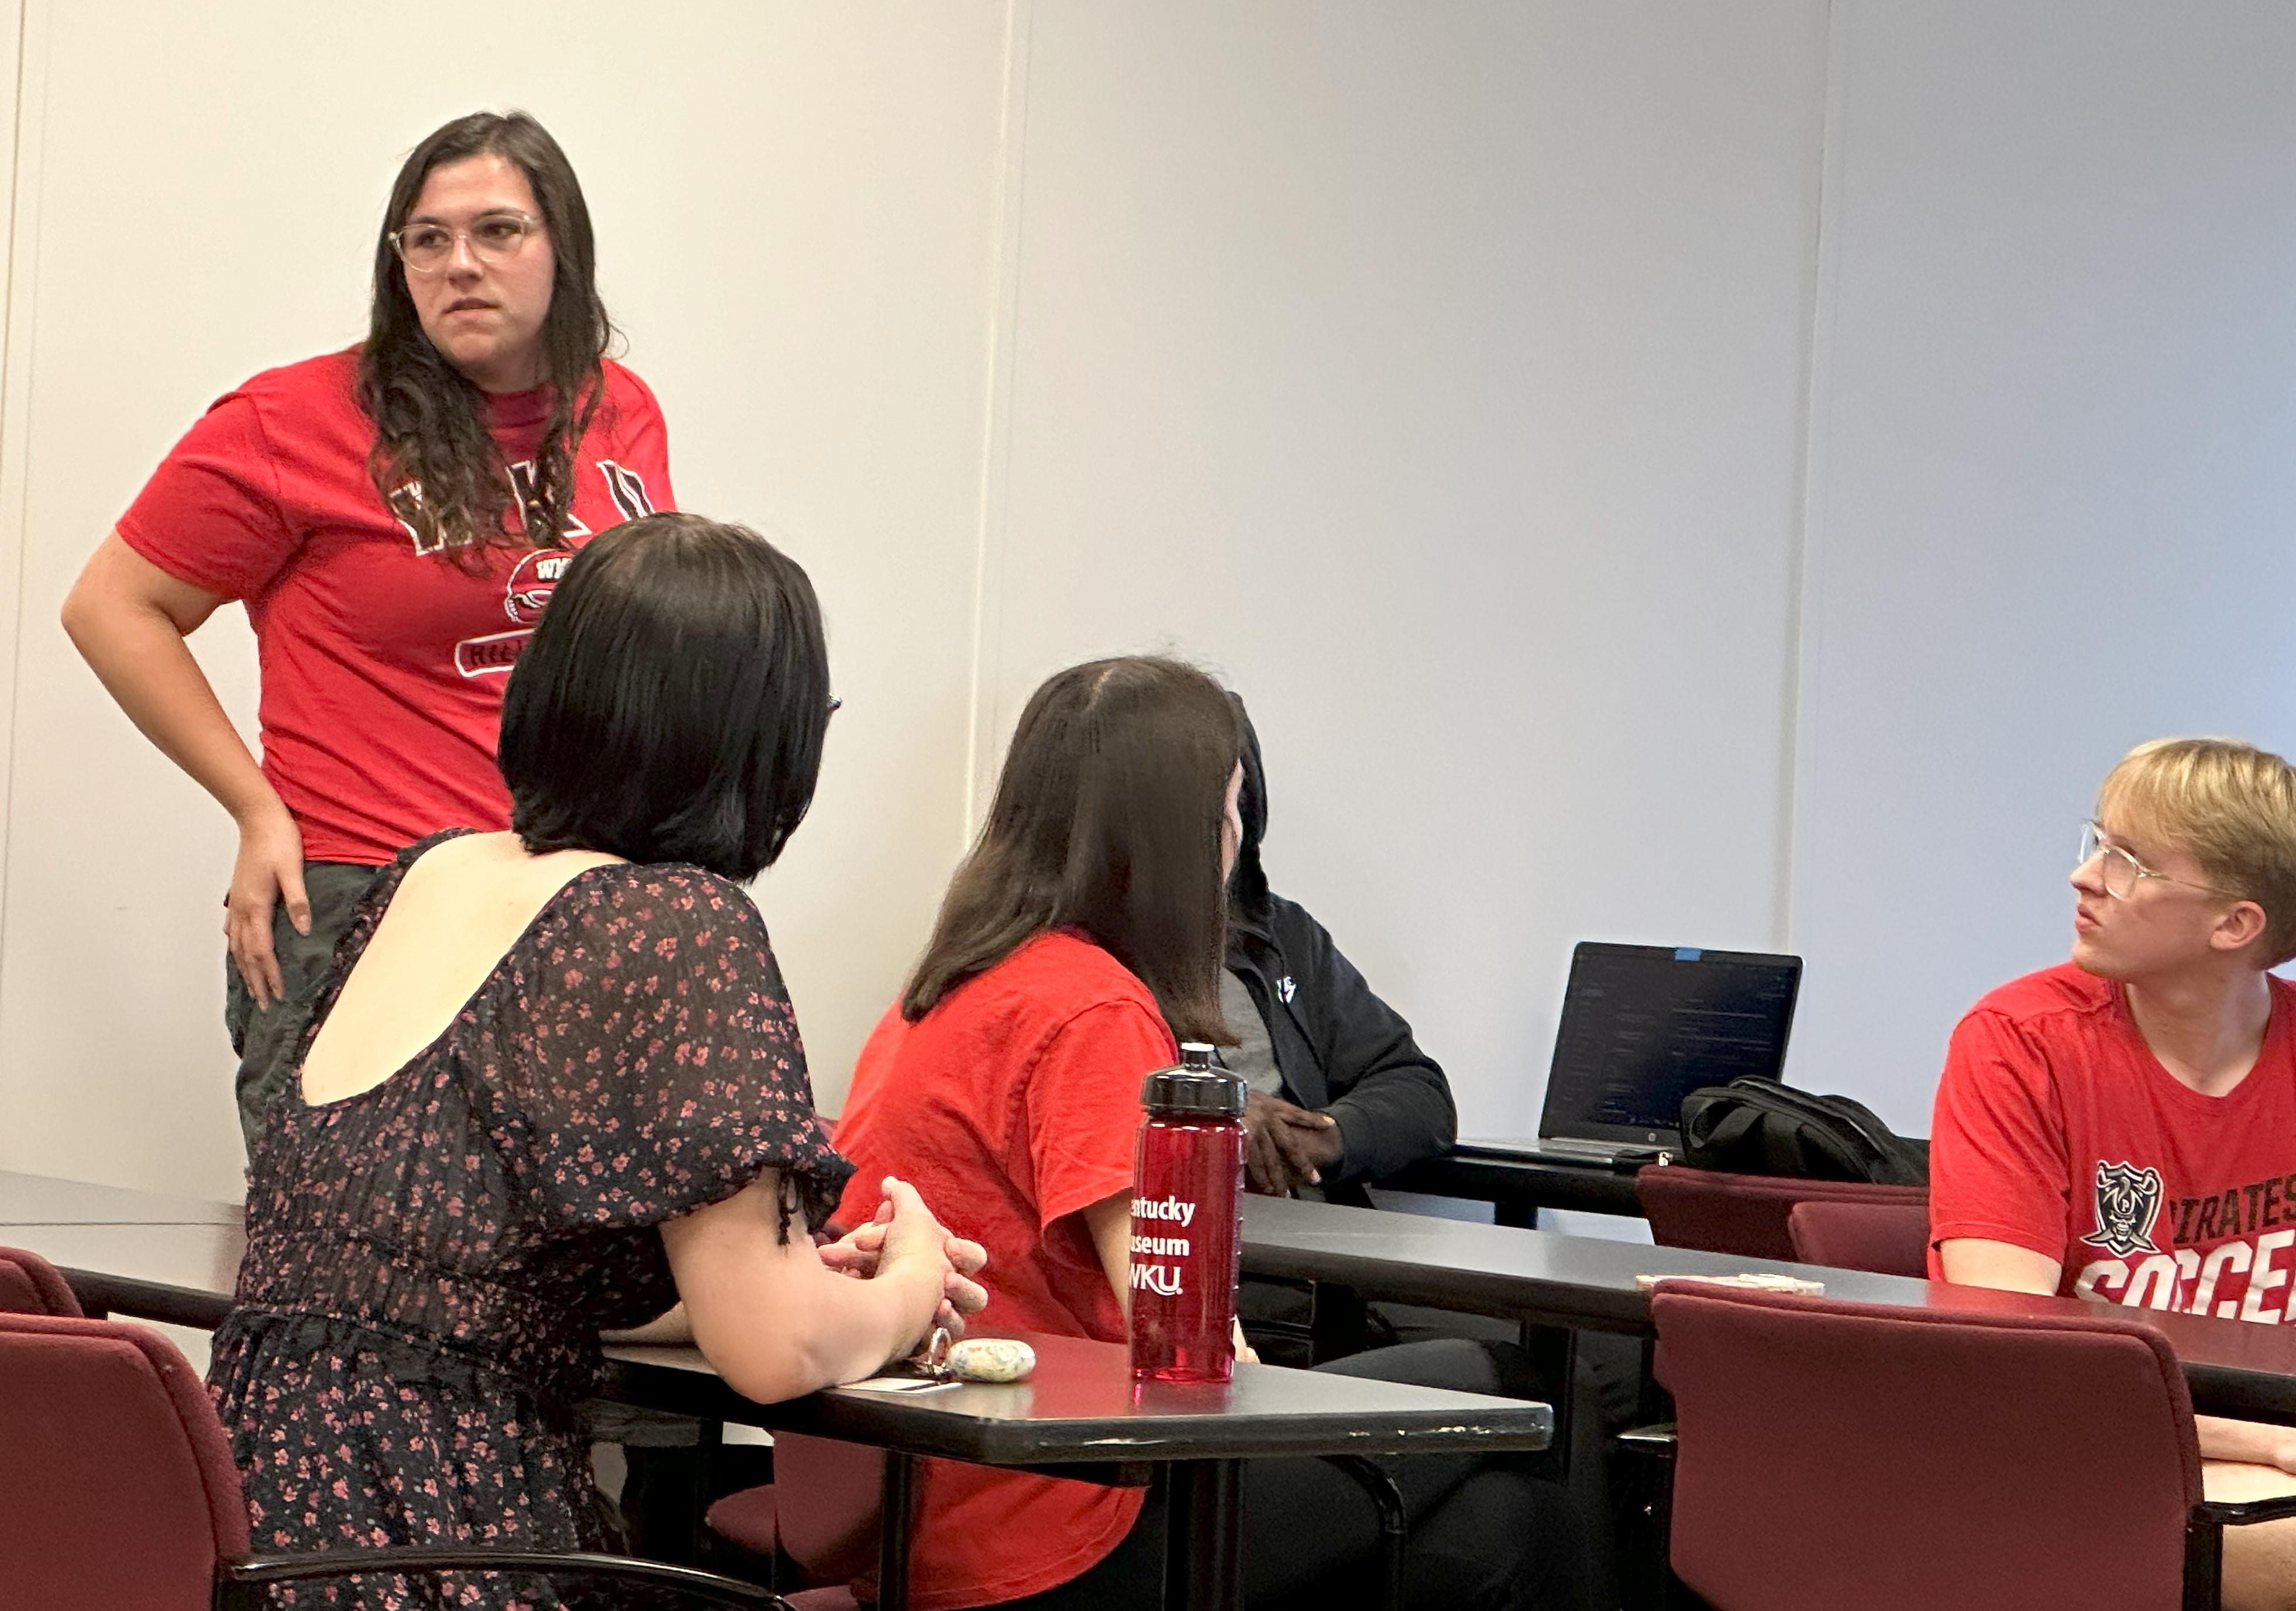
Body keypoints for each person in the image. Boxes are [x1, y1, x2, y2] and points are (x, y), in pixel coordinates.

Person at [205, 515, 983, 1606]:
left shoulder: (428, 873)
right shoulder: (673, 920)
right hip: (441, 1531)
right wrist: (910, 1287)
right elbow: (773, 1351)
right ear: (759, 741)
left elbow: (478, 1270)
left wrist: (785, 1274)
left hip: (255, 1517)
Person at [834, 656, 1582, 1611]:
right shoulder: (1095, 1011)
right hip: (1054, 1525)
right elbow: (1189, 1348)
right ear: (1180, 840)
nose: (1239, 838)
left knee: (1495, 1529)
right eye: (1229, 809)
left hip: (917, 1513)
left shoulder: (942, 989)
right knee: (1511, 1384)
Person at [61, 110, 673, 1149]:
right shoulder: (295, 418)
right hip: (363, 896)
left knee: (547, 1272)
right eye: (426, 240)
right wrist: (257, 807)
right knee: (341, 1274)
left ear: (563, 248)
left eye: (497, 232)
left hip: (560, 894)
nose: (459, 265)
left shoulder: (619, 409)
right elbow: (113, 605)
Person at [1930, 737, 2296, 1611]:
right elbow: (2014, 1362)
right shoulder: (2018, 1042)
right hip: (2070, 1463)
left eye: (2129, 864)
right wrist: (2280, 1447)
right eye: (2098, 843)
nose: (2085, 879)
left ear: (2235, 925)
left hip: (2267, 1454)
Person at [1220, 694, 1455, 1199]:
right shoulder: (1077, 960)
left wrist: (1327, 1133)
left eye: (1235, 798)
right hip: (1193, 1249)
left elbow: (1420, 1092)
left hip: (1326, 1254)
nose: (1227, 825)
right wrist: (1213, 1108)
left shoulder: (1284, 933)